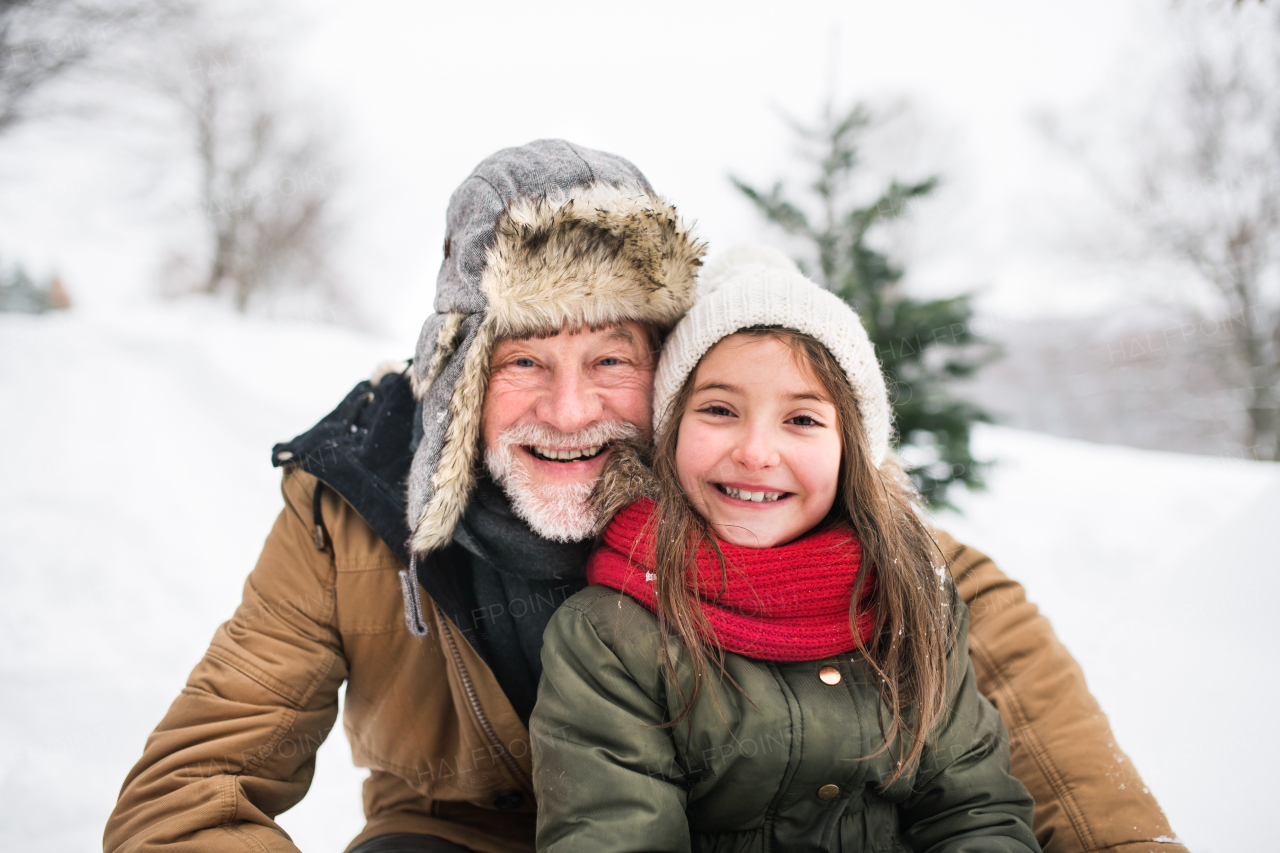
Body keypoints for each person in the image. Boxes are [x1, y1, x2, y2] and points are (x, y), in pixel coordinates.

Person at [104, 141, 1186, 853]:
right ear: (462, 372)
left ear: (669, 378)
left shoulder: (830, 537)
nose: (569, 410)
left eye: (611, 360)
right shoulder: (355, 514)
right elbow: (189, 792)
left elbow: (1072, 793)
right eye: (522, 361)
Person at [531, 247, 1041, 851]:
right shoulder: (611, 633)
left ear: (851, 447)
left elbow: (974, 812)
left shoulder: (912, 595)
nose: (755, 452)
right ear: (669, 435)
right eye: (719, 410)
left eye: (801, 420)